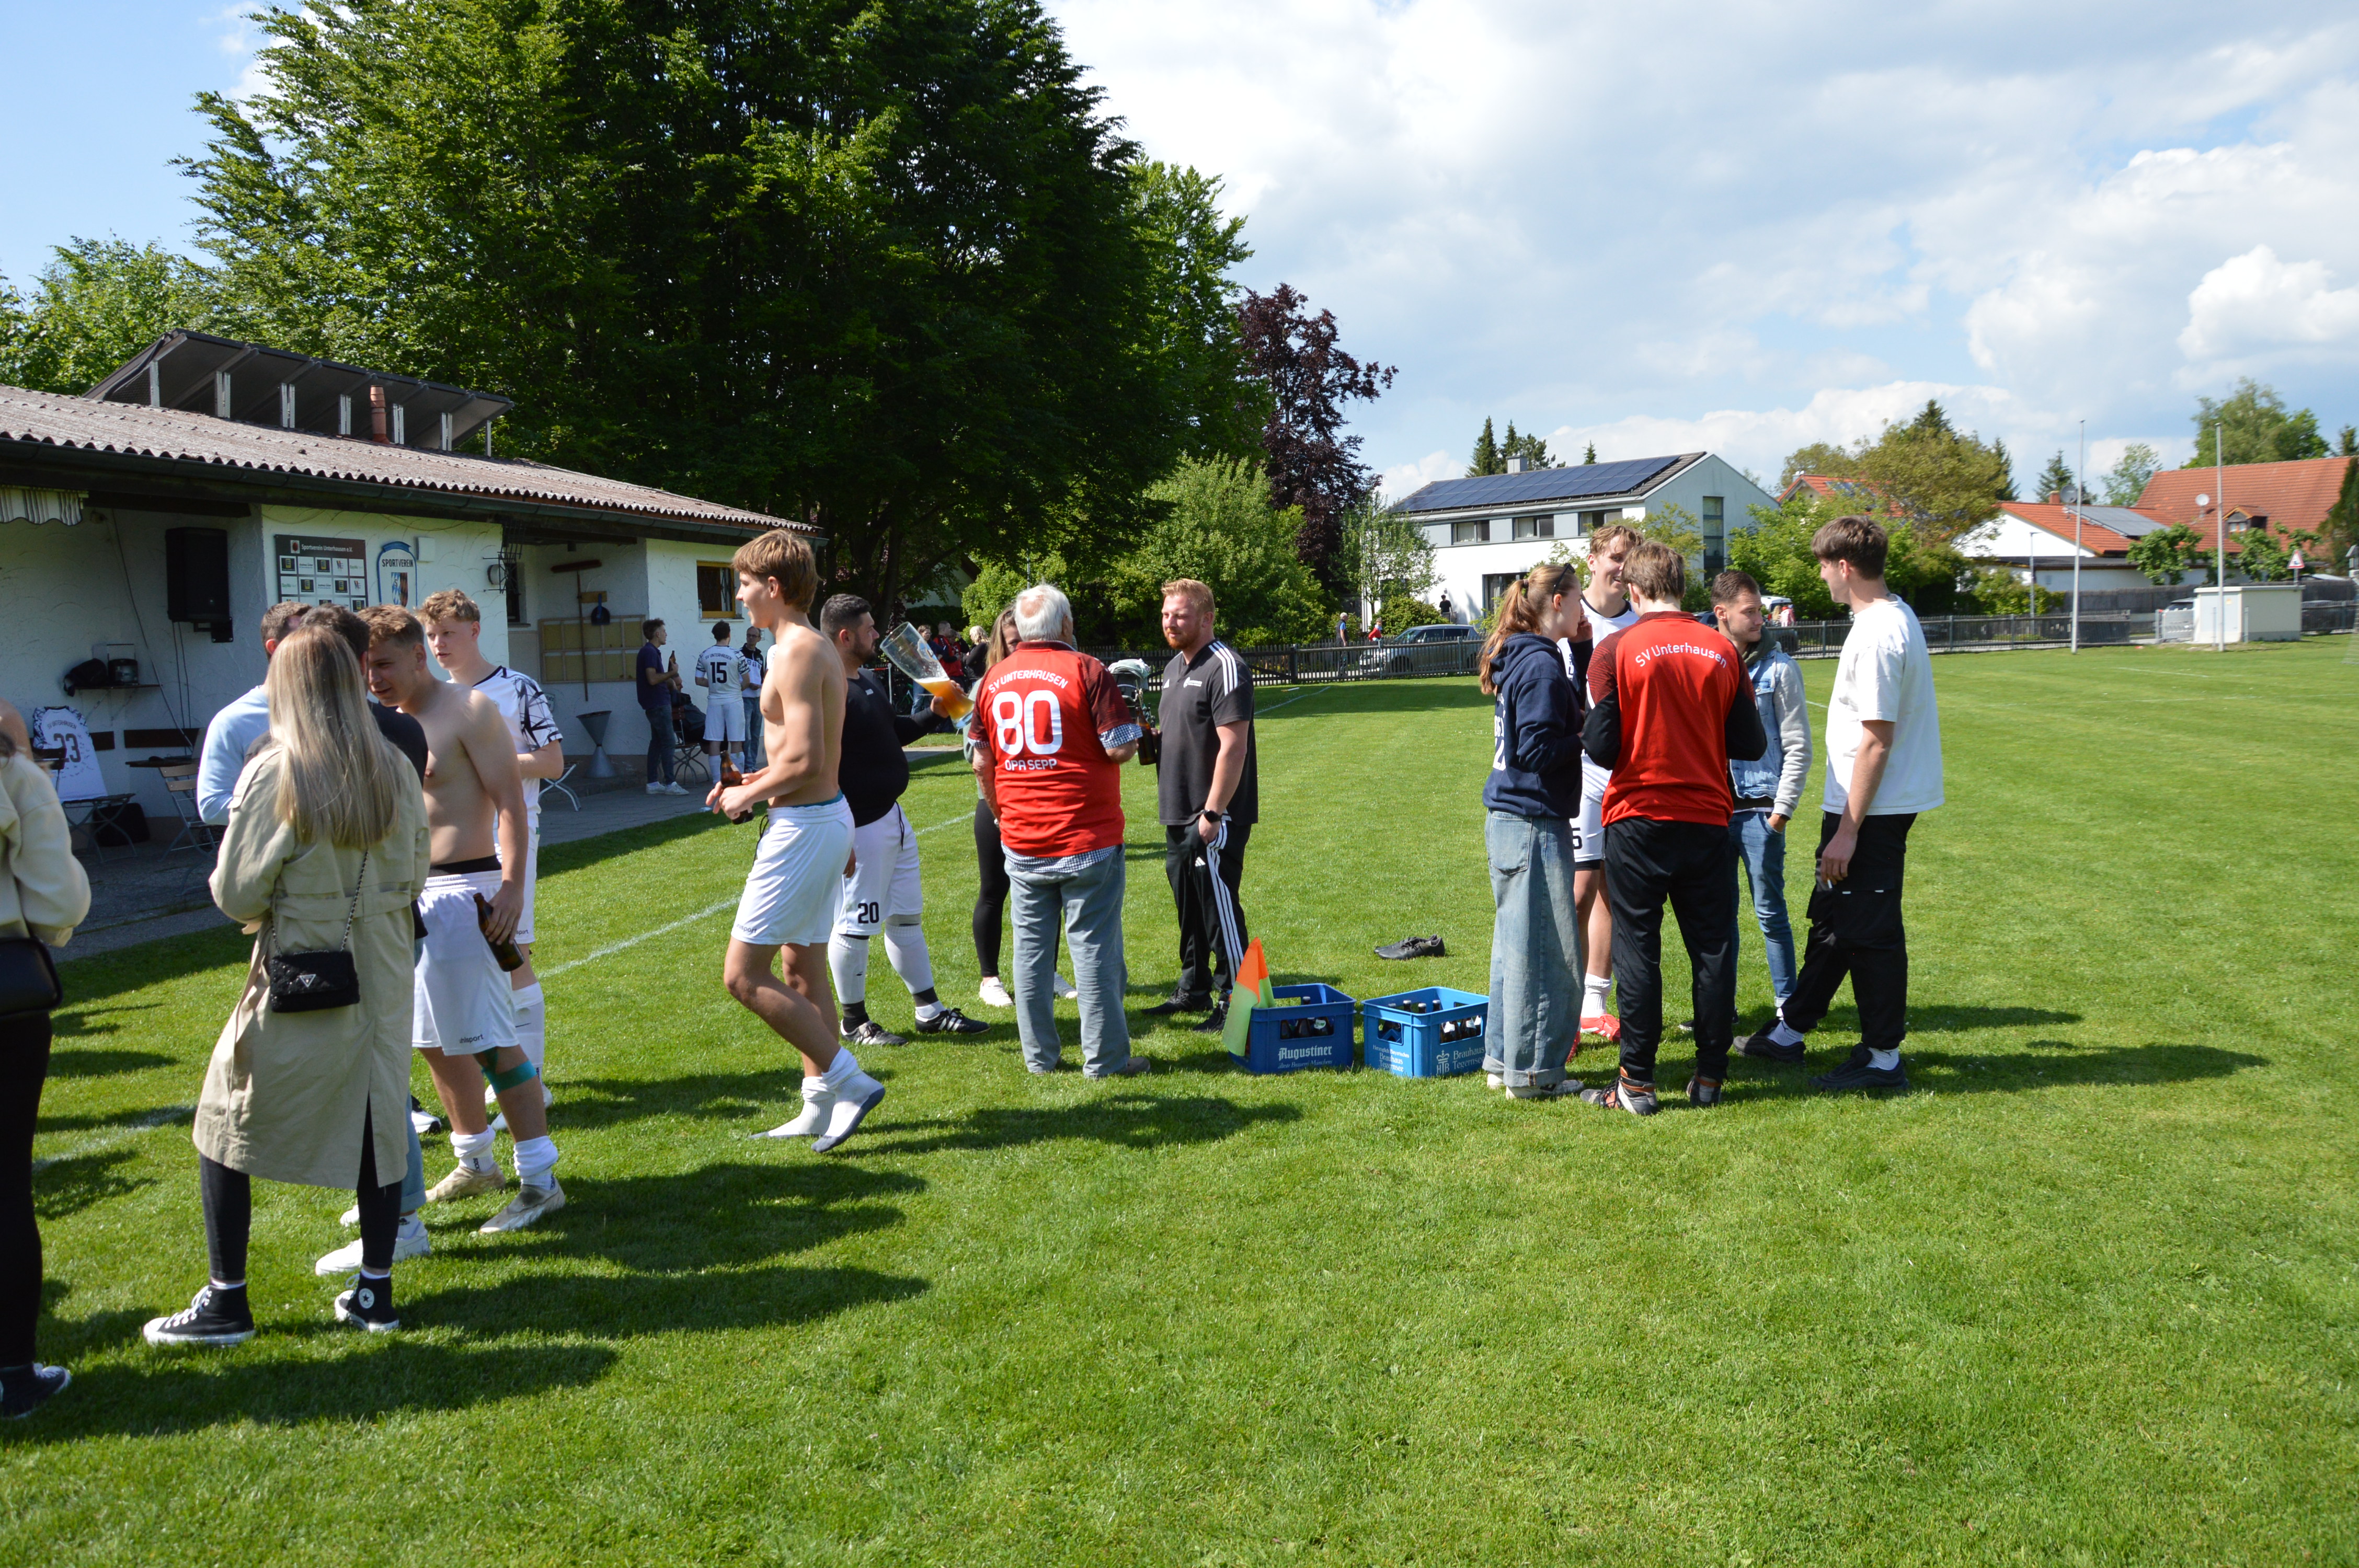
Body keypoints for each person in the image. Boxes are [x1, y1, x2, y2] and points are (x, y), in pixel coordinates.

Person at [142, 623, 430, 1345]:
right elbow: (417, 869)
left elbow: (237, 893)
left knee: (223, 1116)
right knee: (376, 1117)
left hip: (305, 961)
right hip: (385, 958)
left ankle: (227, 1300)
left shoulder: (278, 769)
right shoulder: (395, 764)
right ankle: (375, 1291)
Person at [361, 605, 564, 1230]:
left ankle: (540, 1180)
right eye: (366, 668)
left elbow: (511, 805)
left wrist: (511, 888)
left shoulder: (470, 710)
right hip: (405, 898)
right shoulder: (377, 722)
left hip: (465, 891)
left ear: (418, 654)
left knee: (492, 1043)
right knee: (431, 1041)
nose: (375, 679)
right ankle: (475, 1161)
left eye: (385, 664)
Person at [1740, 516, 1943, 1092]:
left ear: (1845, 567)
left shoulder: (1880, 632)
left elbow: (1878, 738)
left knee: (1871, 929)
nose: (1822, 576)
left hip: (1873, 811)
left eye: (1825, 565)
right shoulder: (1888, 616)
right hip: (1862, 806)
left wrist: (1848, 832)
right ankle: (1791, 1030)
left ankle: (1883, 1058)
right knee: (1833, 917)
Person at [1578, 542, 1766, 1116]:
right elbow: (1751, 742)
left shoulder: (1616, 649)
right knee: (1713, 950)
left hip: (1638, 817)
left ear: (1634, 591)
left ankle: (1637, 1083)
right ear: (1683, 588)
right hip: (1707, 818)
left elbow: (1601, 746)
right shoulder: (1723, 650)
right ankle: (1709, 1078)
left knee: (1639, 950)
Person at [712, 531, 884, 1152]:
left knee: (742, 975)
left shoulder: (797, 651)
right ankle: (818, 1104)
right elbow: (804, 757)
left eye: (744, 584)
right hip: (817, 819)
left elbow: (808, 760)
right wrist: (754, 782)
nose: (739, 596)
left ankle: (850, 1081)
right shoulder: (803, 648)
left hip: (806, 826)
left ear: (773, 586)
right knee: (802, 967)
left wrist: (747, 796)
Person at [970, 584, 1148, 1078]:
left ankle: (1040, 1059)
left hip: (1023, 835)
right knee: (1093, 950)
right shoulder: (1086, 669)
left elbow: (981, 760)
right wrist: (1134, 723)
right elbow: (1118, 748)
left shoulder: (994, 679)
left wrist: (1001, 813)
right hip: (1086, 833)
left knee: (1030, 953)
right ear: (1066, 624)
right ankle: (1106, 1060)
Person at [417, 591, 565, 1128]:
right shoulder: (426, 699)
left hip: (509, 835)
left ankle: (533, 1082)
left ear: (475, 631)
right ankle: (510, 1073)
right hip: (447, 853)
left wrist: (485, 761)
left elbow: (552, 761)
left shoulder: (517, 688)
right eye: (432, 636)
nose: (439, 645)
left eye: (448, 633)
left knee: (512, 952)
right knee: (474, 960)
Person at [819, 593, 988, 1046]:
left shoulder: (867, 680)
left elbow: (892, 732)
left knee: (906, 919)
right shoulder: (830, 689)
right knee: (855, 924)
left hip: (892, 818)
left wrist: (933, 715)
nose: (877, 635)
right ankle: (854, 1022)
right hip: (860, 827)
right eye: (870, 629)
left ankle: (929, 1011)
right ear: (845, 636)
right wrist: (841, 829)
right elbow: (822, 765)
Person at [0, 697, 91, 1412]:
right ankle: (11, 1372)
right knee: (5, 1185)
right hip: (5, 998)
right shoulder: (14, 774)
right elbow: (58, 901)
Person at [1475, 562, 1589, 1100]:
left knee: (1513, 949)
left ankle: (1504, 1061)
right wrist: (1587, 737)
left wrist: (1583, 654)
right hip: (1531, 822)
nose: (1584, 610)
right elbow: (1538, 749)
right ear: (1558, 602)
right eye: (1579, 599)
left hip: (1509, 819)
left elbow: (1557, 714)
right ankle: (1535, 1075)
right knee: (1547, 953)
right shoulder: (1540, 663)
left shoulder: (1524, 654)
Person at [1141, 579, 1257, 1033]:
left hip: (1213, 813)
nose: (1170, 623)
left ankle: (1237, 1001)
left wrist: (1212, 812)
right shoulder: (1173, 667)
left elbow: (1234, 746)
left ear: (1206, 619)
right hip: (1177, 807)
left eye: (1180, 615)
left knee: (1218, 907)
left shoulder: (1225, 666)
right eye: (1166, 615)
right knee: (1188, 906)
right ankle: (1193, 987)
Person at [198, 603, 432, 824]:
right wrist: (296, 814)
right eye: (307, 646)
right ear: (278, 650)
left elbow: (410, 822)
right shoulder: (240, 726)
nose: (321, 657)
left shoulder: (397, 728)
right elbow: (212, 805)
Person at [964, 611, 1078, 1011]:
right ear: (1000, 643)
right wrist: (999, 806)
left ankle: (1047, 971)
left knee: (1048, 890)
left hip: (1043, 805)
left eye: (1024, 640)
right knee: (994, 891)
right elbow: (975, 754)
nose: (1021, 648)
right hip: (997, 804)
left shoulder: (1048, 679)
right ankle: (990, 979)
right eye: (1013, 642)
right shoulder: (988, 685)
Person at [1710, 571, 1810, 1026]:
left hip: (1760, 812)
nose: (1759, 619)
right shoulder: (1706, 661)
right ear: (1722, 613)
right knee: (1718, 917)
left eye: (1760, 611)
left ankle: (1788, 1009)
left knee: (1770, 913)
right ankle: (1721, 1009)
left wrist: (1781, 812)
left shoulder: (1780, 669)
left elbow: (1798, 746)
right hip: (1714, 811)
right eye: (1749, 611)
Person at [1571, 523, 1641, 1042]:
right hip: (1578, 771)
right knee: (1578, 891)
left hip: (1628, 772)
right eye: (1615, 558)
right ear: (1593, 560)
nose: (1622, 568)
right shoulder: (1571, 618)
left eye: (1630, 560)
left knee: (1615, 890)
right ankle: (1567, 1003)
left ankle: (1594, 1004)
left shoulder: (1643, 622)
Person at [637, 618, 686, 796]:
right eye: (664, 631)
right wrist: (672, 673)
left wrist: (669, 681)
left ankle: (653, 783)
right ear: (657, 634)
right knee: (668, 742)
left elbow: (656, 678)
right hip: (658, 703)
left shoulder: (650, 652)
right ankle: (670, 783)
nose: (666, 634)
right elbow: (652, 679)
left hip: (654, 702)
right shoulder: (650, 652)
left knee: (657, 742)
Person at [696, 621, 747, 772]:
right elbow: (747, 680)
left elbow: (699, 680)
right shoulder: (737, 654)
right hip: (734, 700)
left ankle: (716, 780)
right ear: (729, 634)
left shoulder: (704, 655)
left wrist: (715, 685)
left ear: (714, 635)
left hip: (714, 701)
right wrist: (735, 688)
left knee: (714, 740)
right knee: (736, 740)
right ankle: (738, 778)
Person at [739, 627, 768, 770]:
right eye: (748, 635)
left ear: (759, 639)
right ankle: (747, 766)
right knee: (747, 735)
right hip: (745, 698)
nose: (750, 638)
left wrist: (761, 686)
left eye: (753, 636)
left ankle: (753, 765)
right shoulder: (740, 654)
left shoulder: (760, 657)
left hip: (758, 699)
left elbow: (762, 676)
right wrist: (748, 684)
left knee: (756, 735)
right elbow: (736, 676)